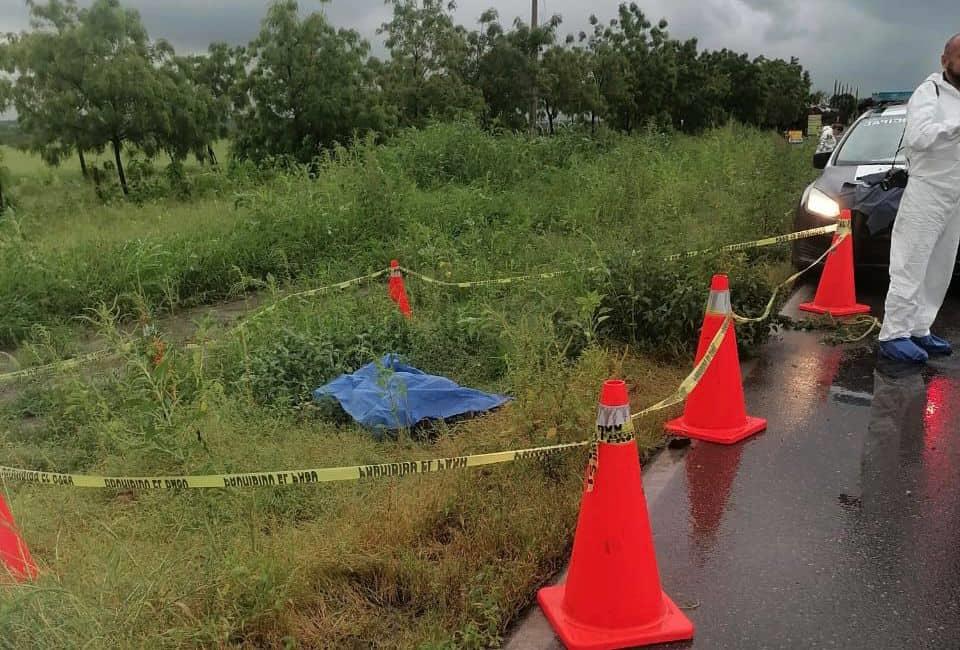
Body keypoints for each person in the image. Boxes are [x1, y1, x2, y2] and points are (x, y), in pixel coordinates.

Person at [878, 32, 960, 363]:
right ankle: (894, 333)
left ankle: (919, 328)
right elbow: (918, 137)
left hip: (956, 193)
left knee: (940, 265)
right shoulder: (930, 92)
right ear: (945, 61)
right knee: (911, 261)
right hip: (928, 189)